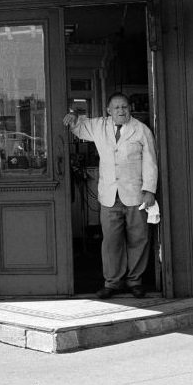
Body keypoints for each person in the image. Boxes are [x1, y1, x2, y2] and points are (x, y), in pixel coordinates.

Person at [64, 93, 159, 298]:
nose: (121, 111)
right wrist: (72, 116)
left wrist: (149, 190)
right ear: (109, 110)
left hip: (135, 194)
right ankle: (112, 282)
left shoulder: (141, 130)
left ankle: (135, 281)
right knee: (111, 241)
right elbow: (78, 126)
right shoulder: (99, 126)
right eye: (116, 108)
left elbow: (150, 162)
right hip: (109, 194)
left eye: (124, 107)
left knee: (138, 239)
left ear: (130, 108)